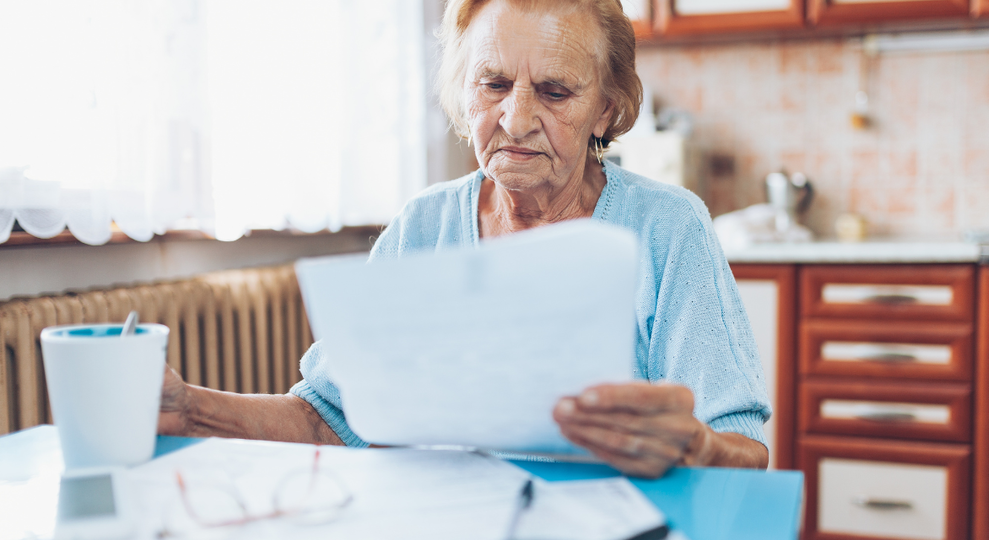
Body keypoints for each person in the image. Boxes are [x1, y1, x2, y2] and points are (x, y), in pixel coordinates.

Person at [158, 0, 771, 479]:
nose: (516, 118)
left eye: (555, 92)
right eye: (494, 84)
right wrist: (190, 409)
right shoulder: (422, 227)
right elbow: (328, 421)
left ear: (607, 110)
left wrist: (692, 443)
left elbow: (745, 449)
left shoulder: (668, 227)